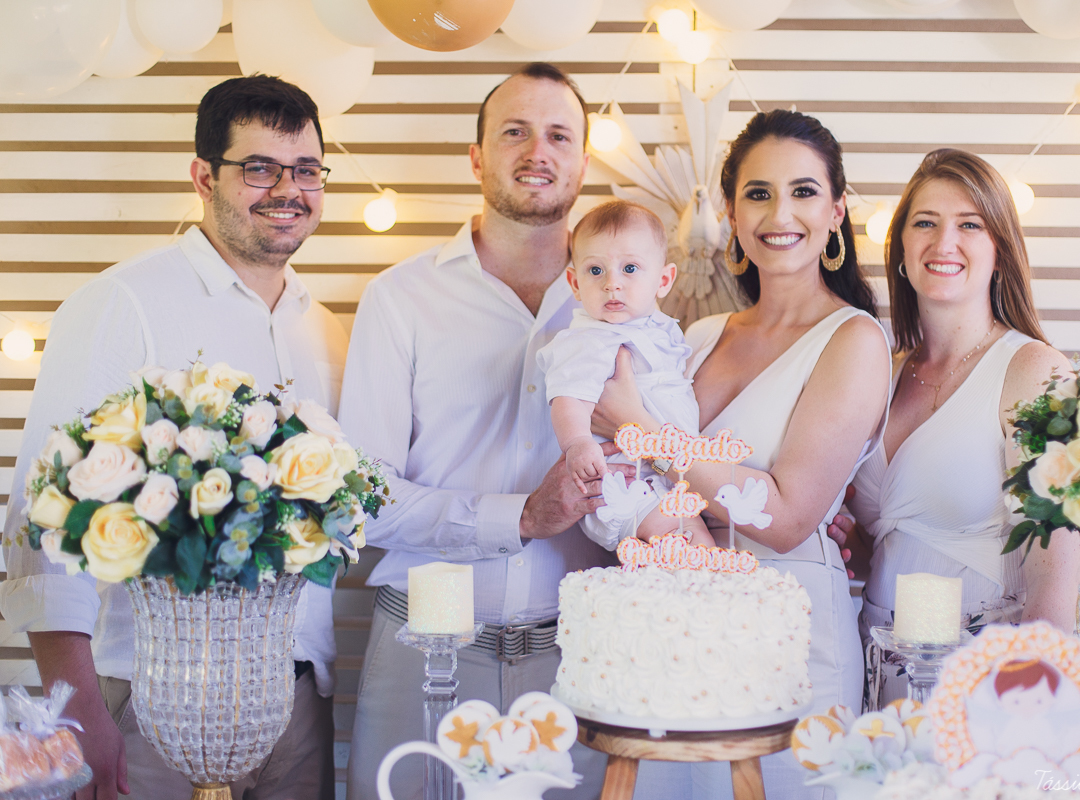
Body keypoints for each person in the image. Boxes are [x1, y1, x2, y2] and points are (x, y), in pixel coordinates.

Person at [0, 75, 347, 799]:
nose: (289, 189)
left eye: (307, 169)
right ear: (203, 177)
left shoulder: (324, 329)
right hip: (147, 702)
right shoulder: (121, 303)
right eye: (260, 168)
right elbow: (38, 523)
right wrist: (77, 711)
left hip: (296, 707)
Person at [592, 109, 892, 799]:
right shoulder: (698, 335)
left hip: (789, 633)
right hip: (672, 622)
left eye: (803, 192)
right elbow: (630, 473)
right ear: (731, 212)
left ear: (837, 211)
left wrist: (641, 427)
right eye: (758, 193)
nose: (779, 214)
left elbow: (783, 519)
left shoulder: (854, 341)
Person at [338, 63, 615, 800]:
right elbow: (360, 498)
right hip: (421, 651)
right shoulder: (400, 299)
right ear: (476, 156)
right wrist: (521, 517)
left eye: (559, 135)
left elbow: (662, 461)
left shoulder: (634, 309)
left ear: (584, 162)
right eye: (514, 132)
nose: (538, 151)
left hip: (582, 661)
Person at [829, 148, 1080, 709]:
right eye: (925, 223)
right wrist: (857, 546)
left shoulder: (1034, 371)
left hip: (986, 683)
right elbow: (904, 540)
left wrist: (1026, 707)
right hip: (878, 677)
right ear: (900, 249)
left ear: (1000, 251)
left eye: (970, 225)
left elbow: (1055, 573)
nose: (944, 242)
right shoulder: (882, 372)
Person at [536, 199, 712, 547]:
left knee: (674, 561)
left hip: (662, 472)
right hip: (630, 482)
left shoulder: (658, 330)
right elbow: (568, 398)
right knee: (694, 544)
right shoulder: (590, 339)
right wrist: (577, 443)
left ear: (663, 280)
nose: (612, 283)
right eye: (595, 270)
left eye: (629, 268)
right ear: (574, 282)